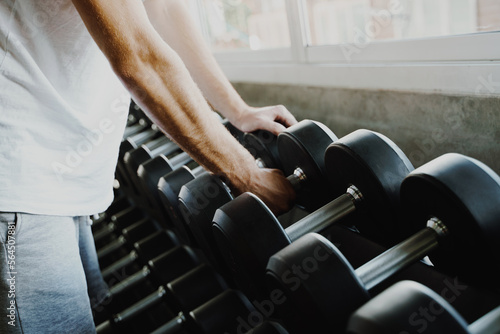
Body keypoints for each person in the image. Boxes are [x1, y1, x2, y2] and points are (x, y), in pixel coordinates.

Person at [0, 0, 297, 332]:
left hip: (59, 179)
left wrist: (237, 110)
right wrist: (248, 175)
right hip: (19, 185)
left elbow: (164, 8)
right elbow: (139, 58)